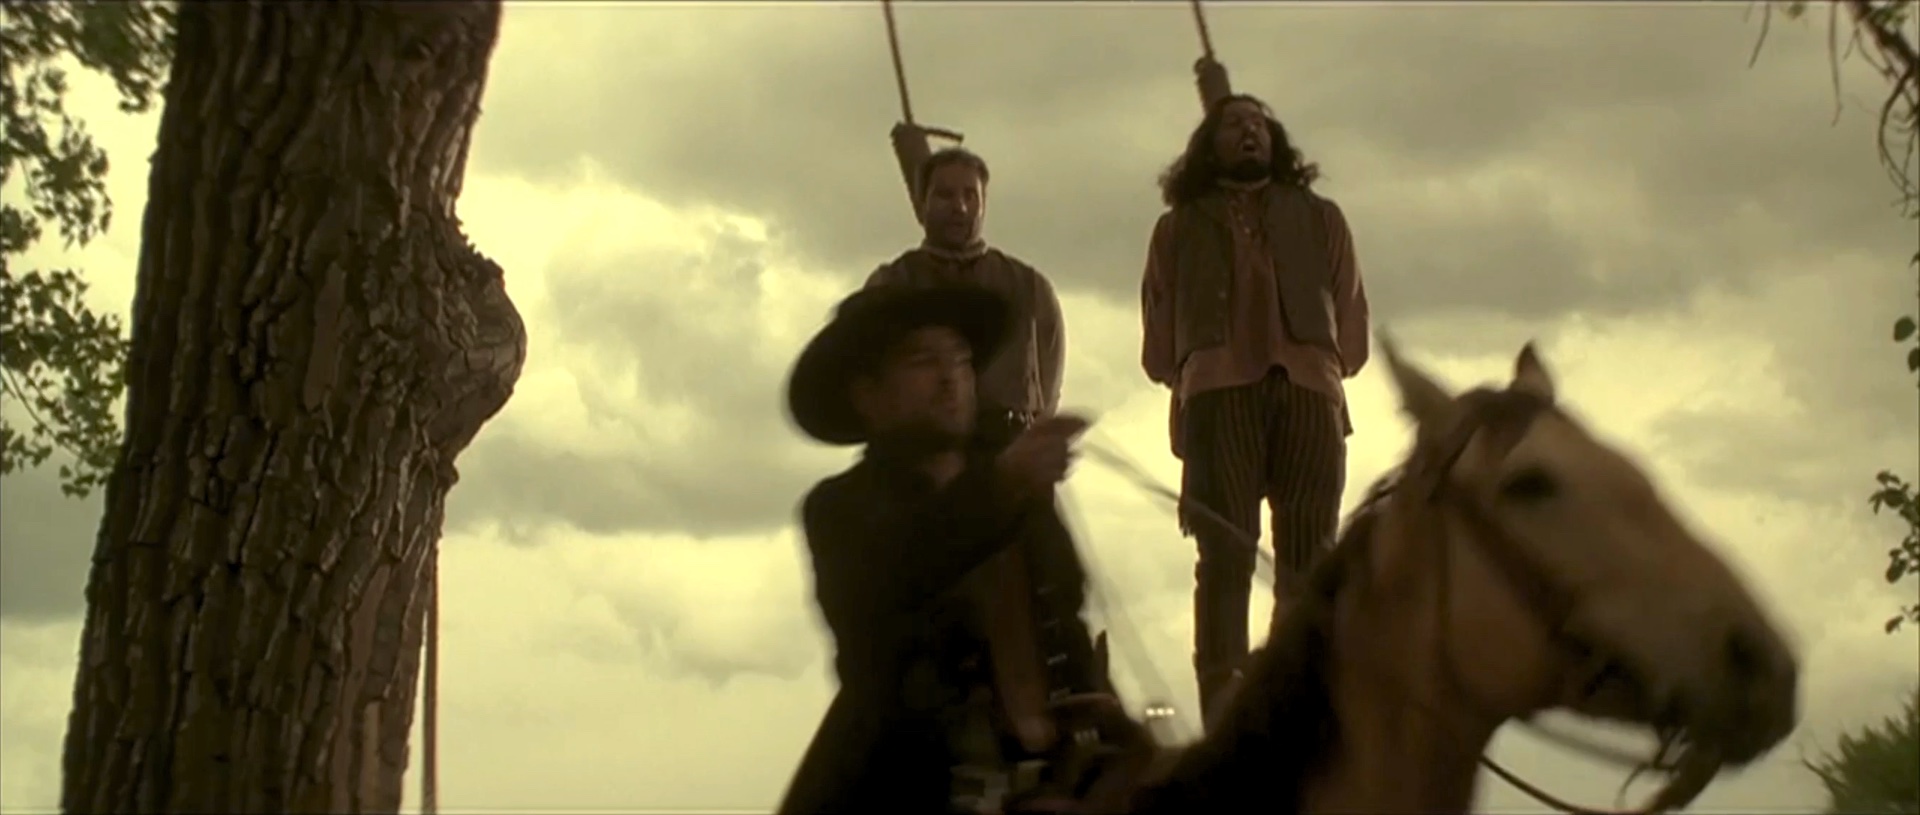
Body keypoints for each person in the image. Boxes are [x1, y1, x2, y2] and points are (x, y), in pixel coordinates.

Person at [775, 286, 1136, 815]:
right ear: (868, 396)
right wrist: (1006, 483)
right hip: (908, 793)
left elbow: (1065, 618)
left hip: (1052, 779)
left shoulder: (1022, 494)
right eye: (923, 361)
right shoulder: (838, 511)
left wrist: (1103, 725)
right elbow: (905, 571)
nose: (951, 379)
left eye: (961, 360)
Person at [1138, 93, 1371, 727]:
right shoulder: (1176, 228)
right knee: (1225, 555)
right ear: (1207, 146)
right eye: (1233, 123)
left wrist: (1316, 363)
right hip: (1217, 395)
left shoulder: (1322, 218)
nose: (1249, 131)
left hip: (1309, 391)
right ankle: (1225, 717)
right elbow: (1158, 342)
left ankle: (1299, 707)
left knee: (1309, 556)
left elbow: (1351, 324)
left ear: (1276, 139)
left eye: (1258, 123)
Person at [866, 147, 1066, 448]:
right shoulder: (891, 284)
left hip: (1006, 451)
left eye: (970, 195)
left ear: (983, 203)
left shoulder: (1028, 287)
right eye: (945, 195)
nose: (959, 207)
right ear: (922, 202)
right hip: (917, 452)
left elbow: (1048, 387)